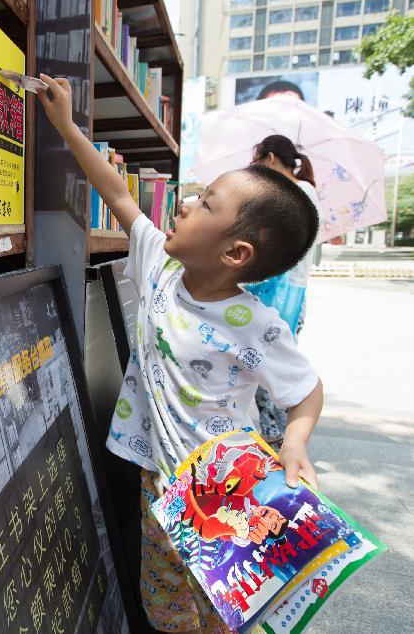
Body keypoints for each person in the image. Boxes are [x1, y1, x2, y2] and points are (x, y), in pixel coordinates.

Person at [37, 74, 323, 634]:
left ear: (235, 252)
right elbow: (117, 195)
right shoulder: (159, 265)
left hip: (226, 491)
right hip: (160, 481)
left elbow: (304, 389)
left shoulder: (255, 324)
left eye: (204, 203)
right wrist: (67, 127)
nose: (186, 203)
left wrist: (294, 443)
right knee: (165, 595)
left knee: (225, 603)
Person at [246, 135, 322, 449]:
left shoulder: (297, 192)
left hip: (282, 292)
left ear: (272, 157)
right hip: (287, 291)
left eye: (259, 162)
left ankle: (276, 439)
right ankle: (274, 436)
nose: (258, 169)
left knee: (266, 364)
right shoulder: (304, 191)